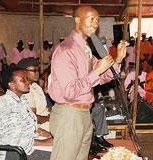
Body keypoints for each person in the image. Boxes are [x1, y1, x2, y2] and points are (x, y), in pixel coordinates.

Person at [48, 5, 127, 160]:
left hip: (84, 114)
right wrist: (96, 71)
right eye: (91, 19)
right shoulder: (66, 50)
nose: (95, 24)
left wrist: (118, 59)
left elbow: (102, 77)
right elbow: (69, 91)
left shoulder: (86, 49)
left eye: (97, 21)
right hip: (69, 115)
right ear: (77, 20)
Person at [0, 68, 52, 160]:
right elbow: (15, 140)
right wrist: (45, 142)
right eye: (23, 80)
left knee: (62, 147)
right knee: (60, 154)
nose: (27, 82)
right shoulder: (6, 103)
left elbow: (27, 124)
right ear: (12, 85)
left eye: (26, 79)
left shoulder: (21, 100)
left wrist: (43, 133)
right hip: (13, 152)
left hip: (26, 146)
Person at [17, 57, 50, 130]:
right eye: (34, 71)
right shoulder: (25, 90)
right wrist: (51, 119)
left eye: (38, 70)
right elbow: (32, 118)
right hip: (39, 126)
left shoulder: (36, 86)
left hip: (47, 120)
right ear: (24, 72)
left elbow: (46, 107)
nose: (37, 73)